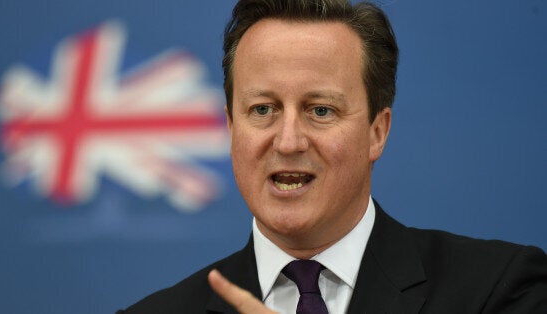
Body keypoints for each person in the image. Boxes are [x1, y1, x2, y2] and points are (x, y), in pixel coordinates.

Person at [118, 0, 547, 313]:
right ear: (232, 129)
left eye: (320, 110)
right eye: (262, 109)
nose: (287, 142)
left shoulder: (500, 289)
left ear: (377, 132)